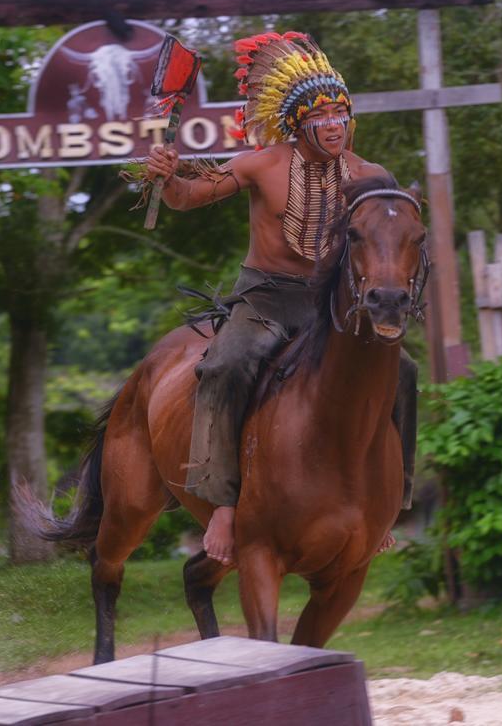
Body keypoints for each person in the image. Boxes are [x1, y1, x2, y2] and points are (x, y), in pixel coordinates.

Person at [145, 31, 418, 567]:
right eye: (321, 115)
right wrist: (168, 176)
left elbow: (389, 231)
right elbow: (186, 198)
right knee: (224, 364)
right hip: (266, 301)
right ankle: (223, 503)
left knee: (403, 371)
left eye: (341, 112)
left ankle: (392, 500)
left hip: (333, 308)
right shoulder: (260, 164)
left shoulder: (369, 176)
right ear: (298, 122)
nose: (334, 123)